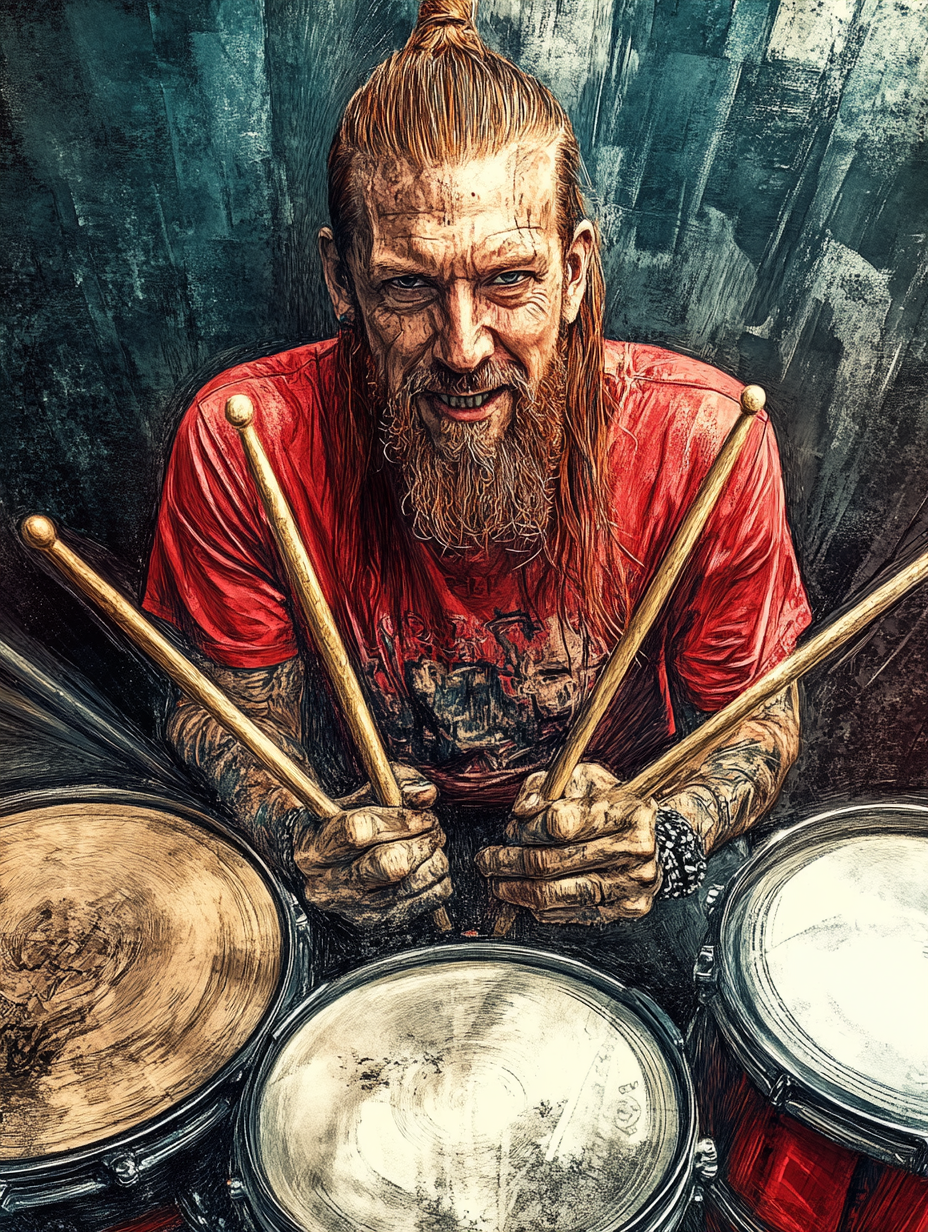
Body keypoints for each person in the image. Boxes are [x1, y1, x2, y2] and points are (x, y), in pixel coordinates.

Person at [143, 0, 810, 1016]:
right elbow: (225, 713)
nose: (463, 346)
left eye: (508, 279)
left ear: (575, 269)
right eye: (409, 288)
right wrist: (305, 835)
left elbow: (755, 720)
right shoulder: (245, 438)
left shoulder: (705, 440)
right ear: (340, 277)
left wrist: (663, 837)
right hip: (369, 855)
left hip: (608, 861)